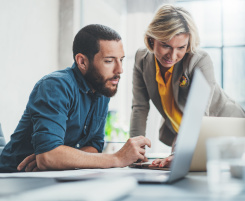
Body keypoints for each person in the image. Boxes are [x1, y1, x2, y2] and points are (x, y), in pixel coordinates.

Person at [0, 24, 151, 173]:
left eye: (121, 60)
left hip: (51, 177)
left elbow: (94, 146)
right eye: (109, 61)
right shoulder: (55, 86)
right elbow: (48, 157)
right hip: (12, 176)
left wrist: (60, 157)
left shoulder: (101, 89)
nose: (120, 70)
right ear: (82, 62)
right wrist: (117, 158)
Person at [129, 5, 245, 168]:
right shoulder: (141, 59)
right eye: (166, 45)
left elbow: (198, 115)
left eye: (181, 47)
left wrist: (179, 153)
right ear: (151, 39)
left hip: (224, 126)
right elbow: (140, 107)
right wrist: (135, 152)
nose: (172, 55)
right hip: (184, 131)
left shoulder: (199, 60)